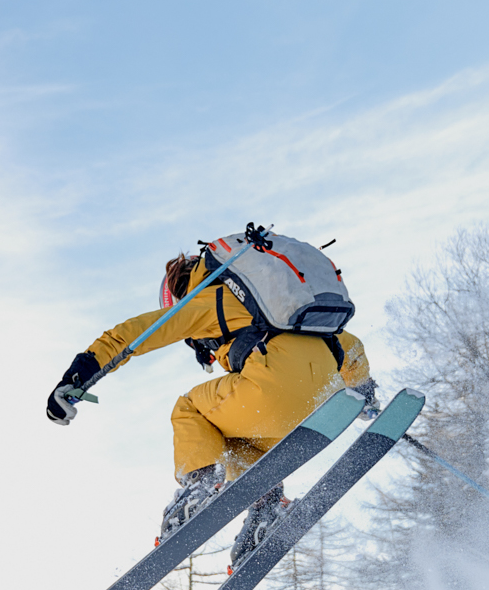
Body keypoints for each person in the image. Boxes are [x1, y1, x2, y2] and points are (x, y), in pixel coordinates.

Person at [46, 242, 376, 568]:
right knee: (229, 439)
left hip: (269, 392)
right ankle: (266, 504)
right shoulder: (289, 314)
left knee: (189, 408)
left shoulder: (209, 298)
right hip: (322, 404)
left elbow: (134, 334)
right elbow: (354, 348)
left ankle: (200, 485)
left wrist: (77, 377)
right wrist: (365, 397)